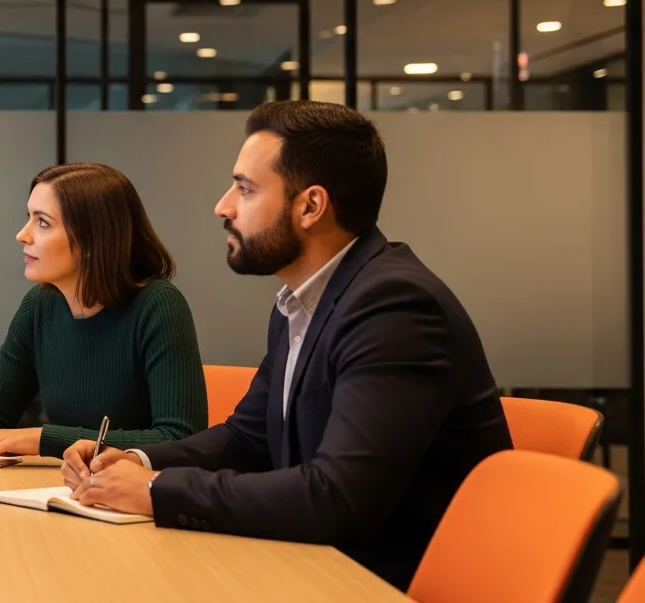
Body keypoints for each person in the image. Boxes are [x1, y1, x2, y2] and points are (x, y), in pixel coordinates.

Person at [61, 101, 511, 591]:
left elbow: (337, 499)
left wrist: (154, 490)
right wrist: (137, 461)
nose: (224, 205)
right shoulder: (302, 302)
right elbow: (248, 439)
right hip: (314, 567)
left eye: (246, 188)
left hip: (382, 584)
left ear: (311, 206)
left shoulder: (394, 307)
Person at [0, 163, 207, 464]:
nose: (22, 234)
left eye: (42, 222)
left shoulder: (158, 306)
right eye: (28, 218)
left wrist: (43, 439)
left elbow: (179, 439)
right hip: (66, 487)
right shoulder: (40, 305)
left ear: (91, 239)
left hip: (133, 498)